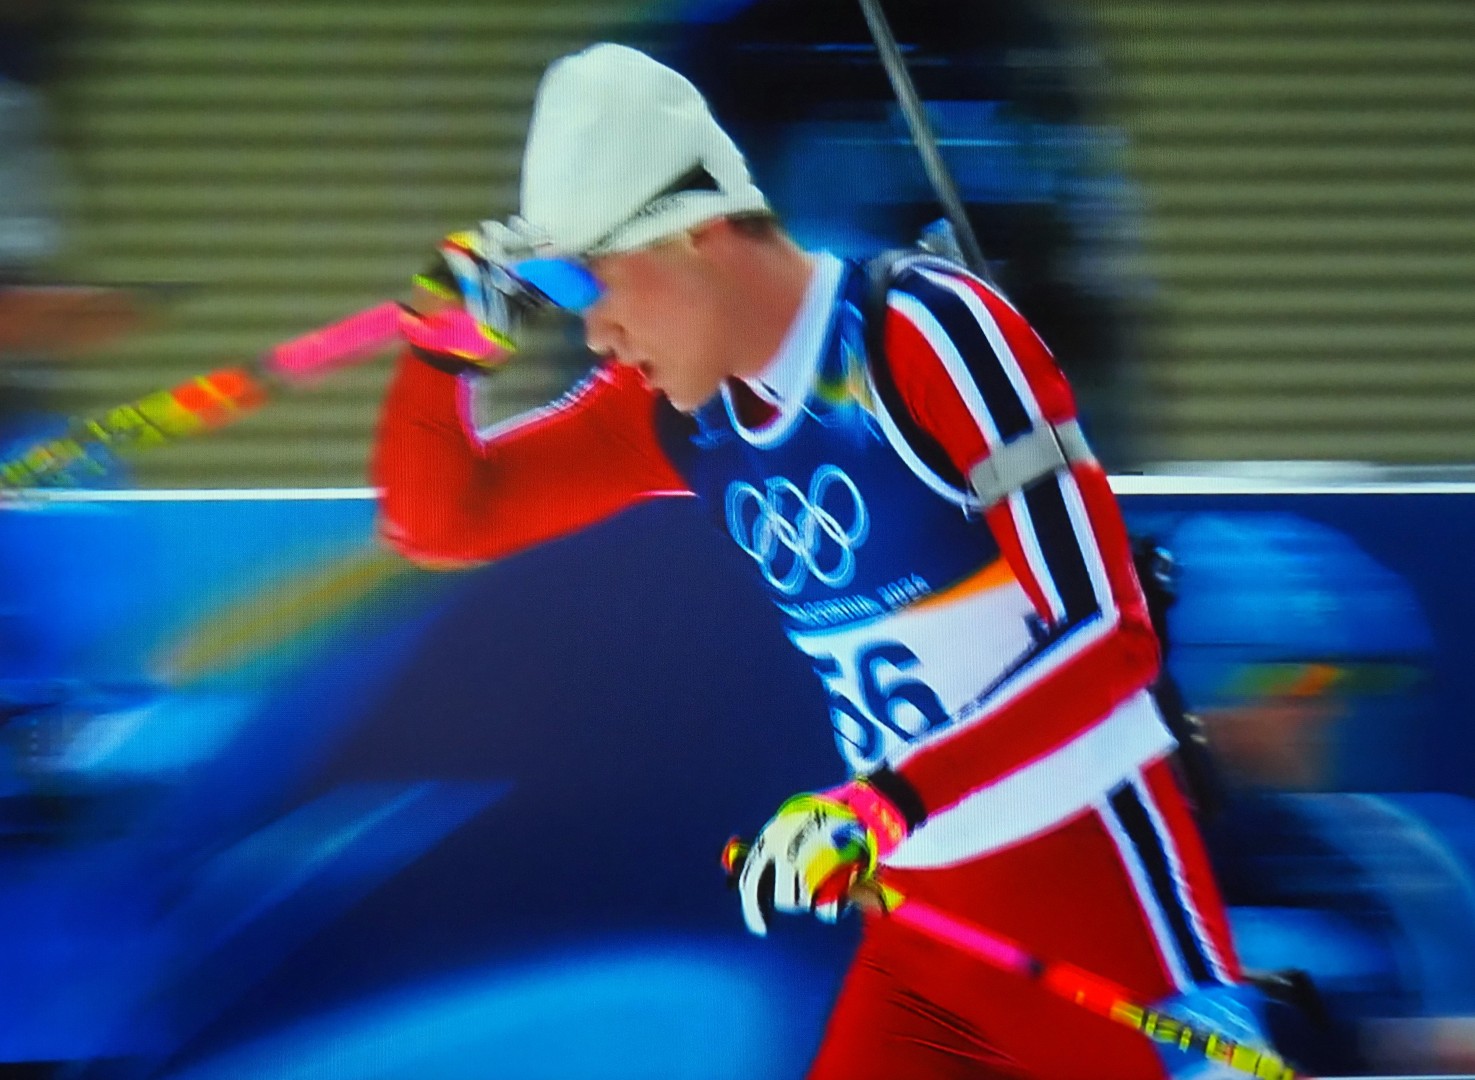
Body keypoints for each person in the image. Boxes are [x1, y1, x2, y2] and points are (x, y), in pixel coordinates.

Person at [373, 43, 1269, 1080]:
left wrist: (877, 804)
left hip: (1092, 901)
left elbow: (1112, 635)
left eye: (600, 284)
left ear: (697, 232)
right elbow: (441, 524)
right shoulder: (682, 409)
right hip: (922, 929)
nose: (597, 336)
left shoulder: (921, 332)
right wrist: (441, 354)